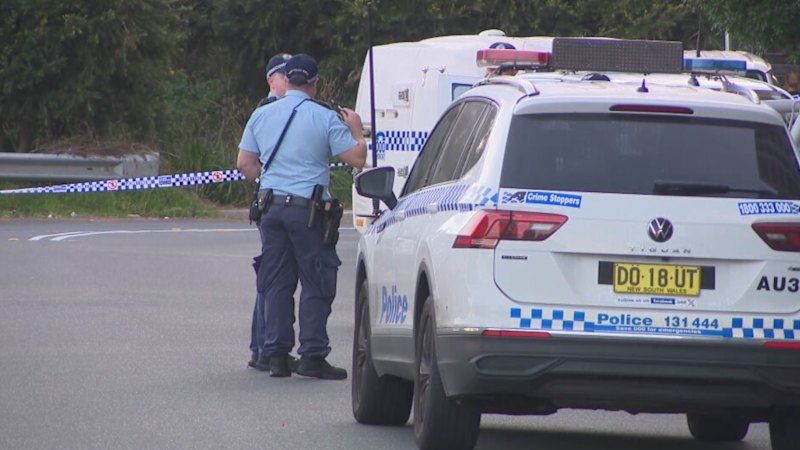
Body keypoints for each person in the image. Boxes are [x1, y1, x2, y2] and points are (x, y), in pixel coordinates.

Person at [237, 54, 367, 379]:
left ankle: (276, 355)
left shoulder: (262, 113)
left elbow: (245, 164)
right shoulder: (324, 117)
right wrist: (356, 128)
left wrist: (268, 182)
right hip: (308, 212)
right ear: (314, 82)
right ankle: (312, 354)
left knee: (277, 282)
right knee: (316, 279)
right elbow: (356, 159)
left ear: (285, 78)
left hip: (271, 208)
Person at [248, 52, 293, 372]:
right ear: (270, 79)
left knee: (272, 276)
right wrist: (268, 182)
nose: (288, 80)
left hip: (278, 203)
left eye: (292, 75)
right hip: (274, 202)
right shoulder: (267, 111)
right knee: (273, 277)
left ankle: (263, 346)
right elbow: (246, 161)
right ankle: (263, 347)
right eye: (283, 75)